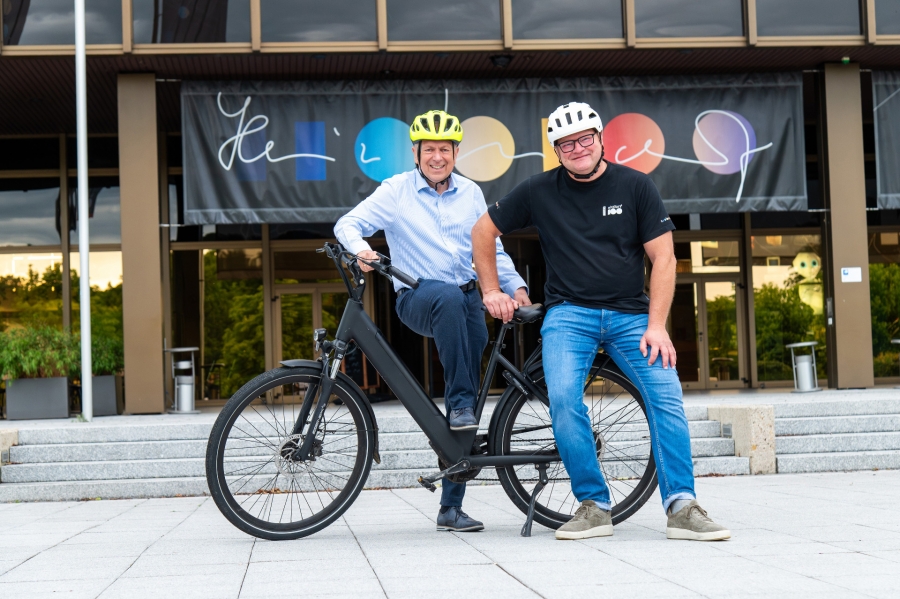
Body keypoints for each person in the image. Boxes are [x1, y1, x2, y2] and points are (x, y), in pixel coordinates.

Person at [471, 102, 730, 542]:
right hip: (569, 315)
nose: (577, 148)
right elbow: (482, 231)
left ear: (600, 139)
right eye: (566, 143)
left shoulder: (635, 186)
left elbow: (663, 258)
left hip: (632, 316)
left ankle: (682, 506)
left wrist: (657, 324)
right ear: (556, 150)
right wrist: (490, 290)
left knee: (665, 396)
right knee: (564, 399)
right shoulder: (538, 190)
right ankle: (593, 505)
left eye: (584, 139)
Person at [335, 109, 529, 533]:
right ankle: (457, 403)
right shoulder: (396, 191)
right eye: (429, 150)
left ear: (456, 152)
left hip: (467, 304)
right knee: (445, 308)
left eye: (445, 149)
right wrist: (360, 249)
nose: (437, 157)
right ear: (416, 153)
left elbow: (491, 252)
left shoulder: (473, 194)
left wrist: (515, 288)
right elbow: (347, 223)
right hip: (419, 298)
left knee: (470, 404)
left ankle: (450, 508)